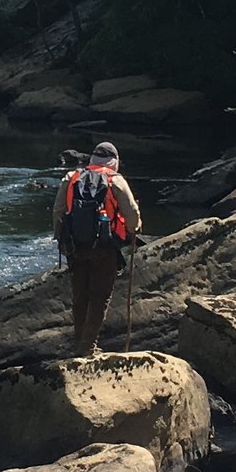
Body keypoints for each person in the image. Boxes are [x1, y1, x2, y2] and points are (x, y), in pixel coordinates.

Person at [54, 140, 142, 356]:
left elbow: (58, 211)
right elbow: (131, 215)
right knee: (99, 297)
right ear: (114, 161)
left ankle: (79, 343)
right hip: (105, 247)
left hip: (76, 247)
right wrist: (135, 229)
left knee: (80, 295)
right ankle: (88, 347)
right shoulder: (116, 180)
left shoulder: (71, 177)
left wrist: (61, 240)